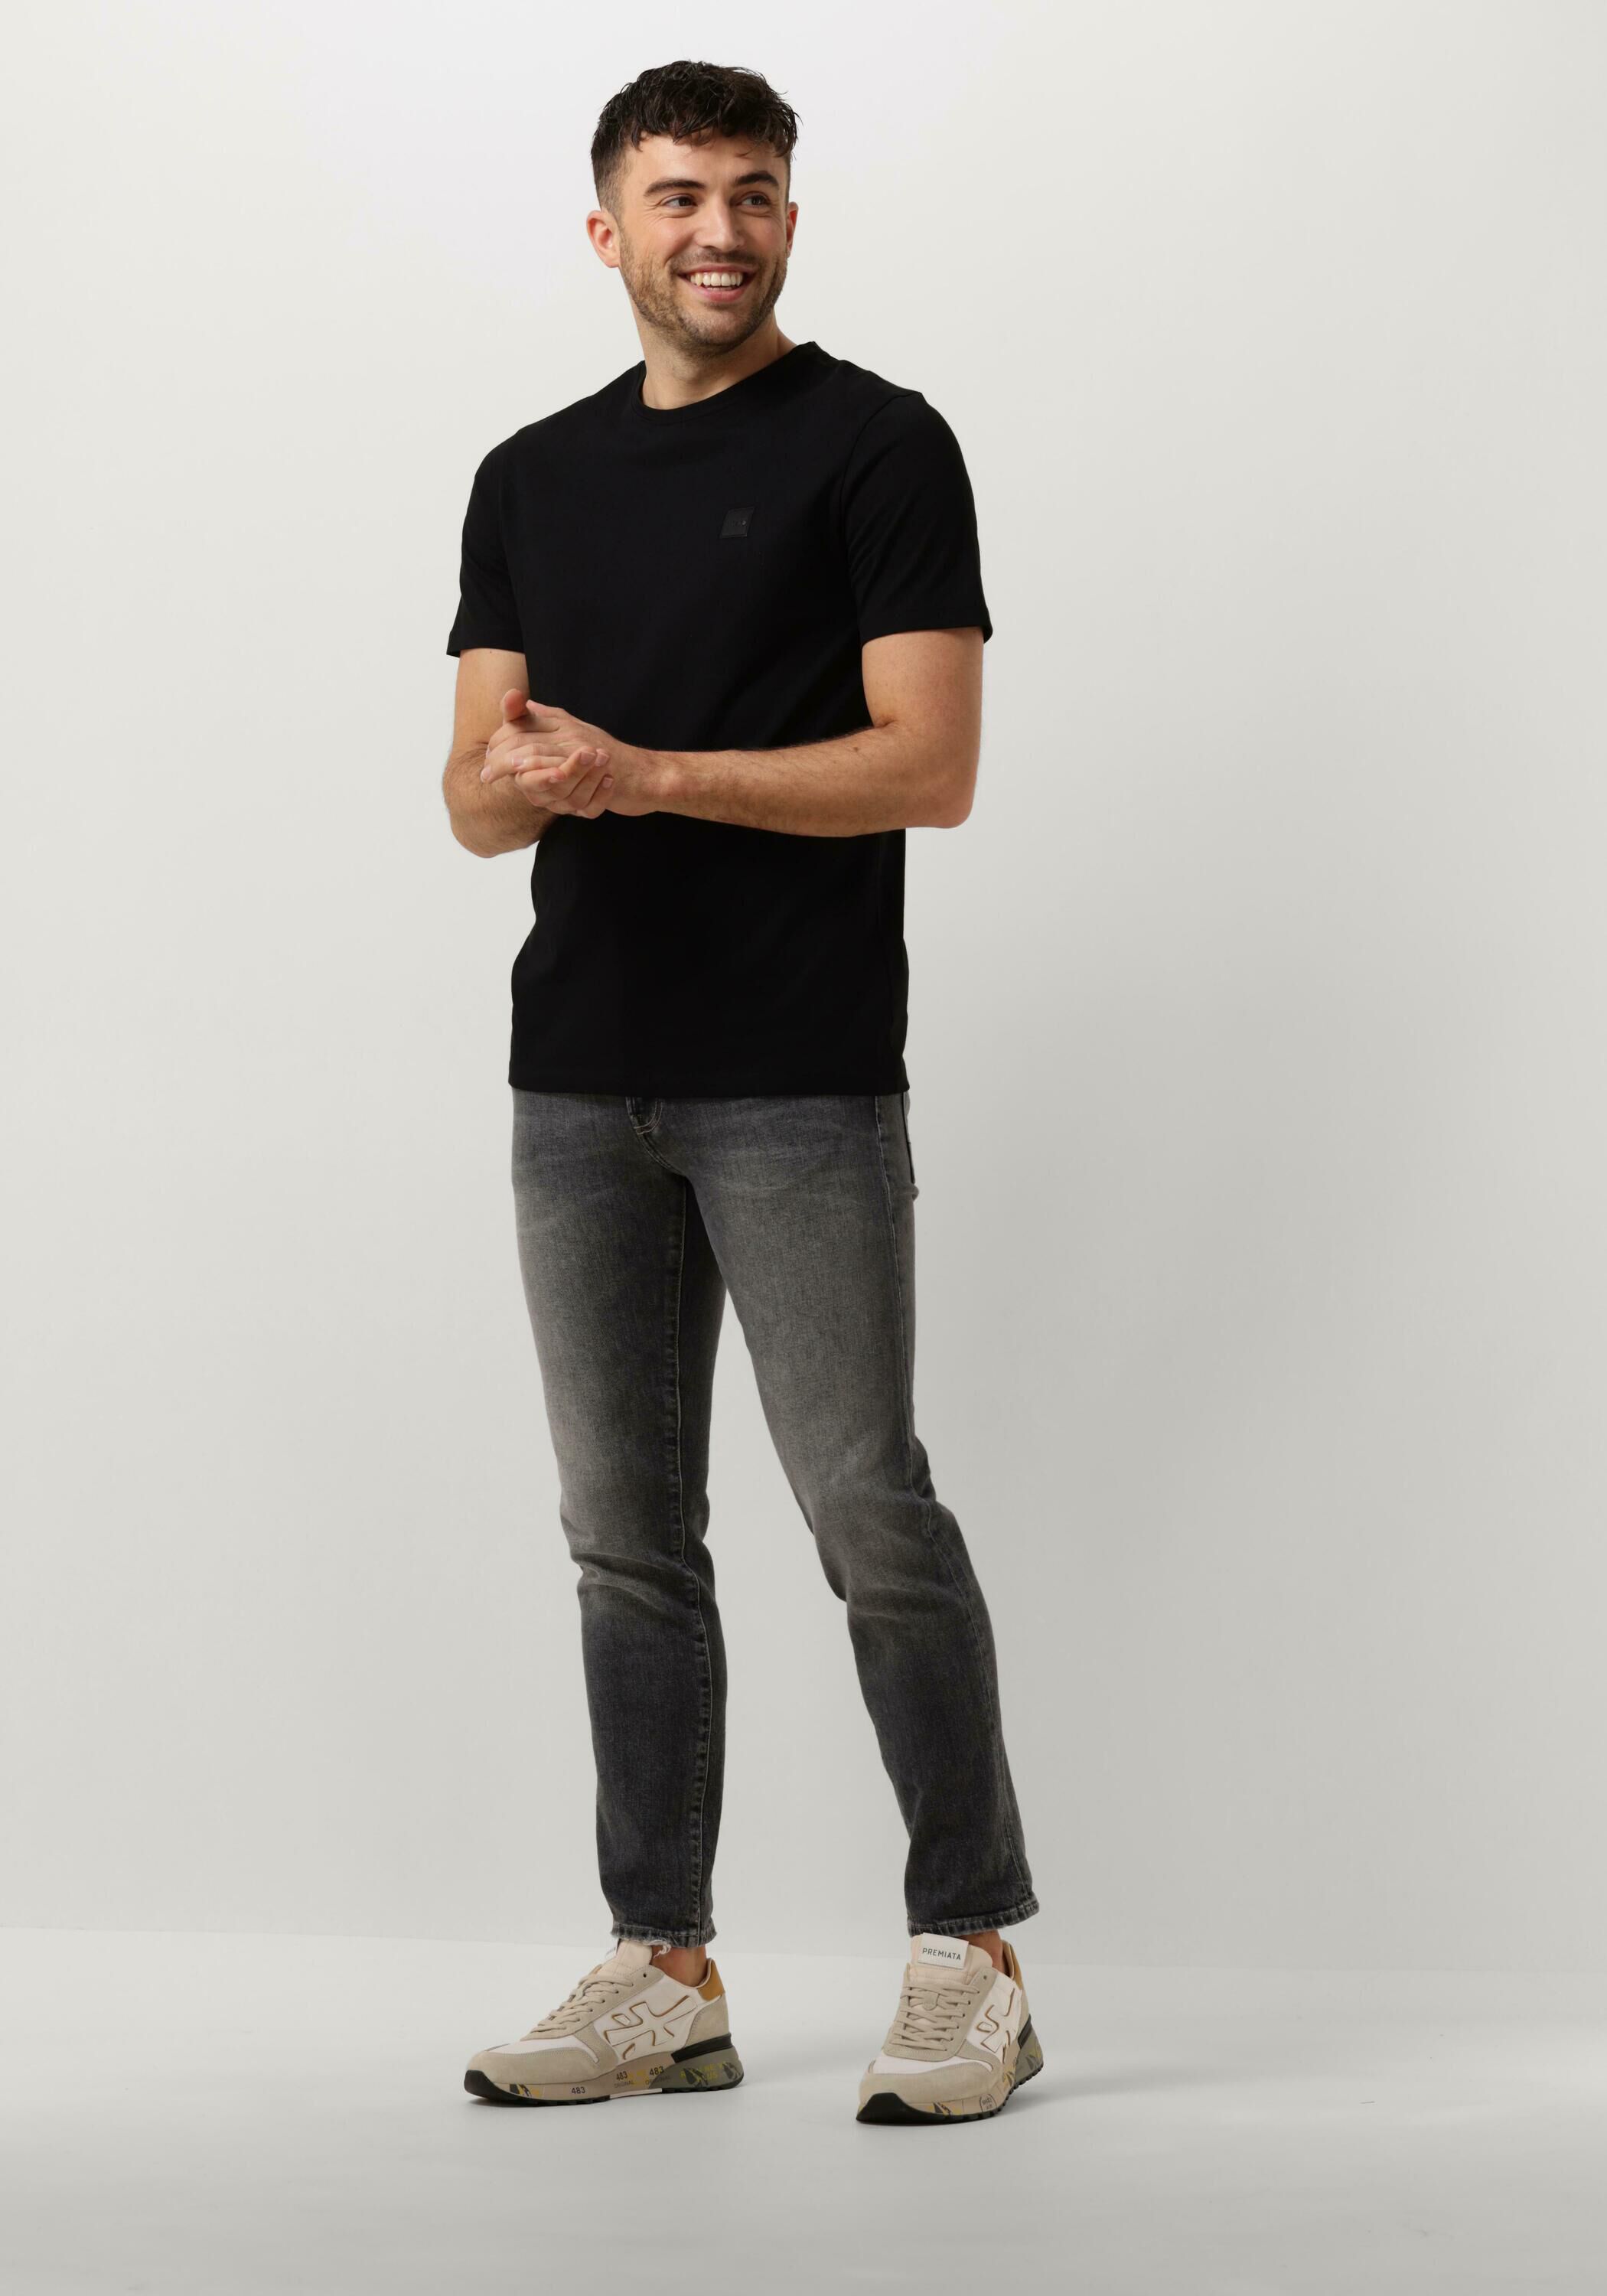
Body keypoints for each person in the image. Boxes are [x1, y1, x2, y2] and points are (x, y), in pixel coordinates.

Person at [444, 58, 1041, 2126]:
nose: (721, 230)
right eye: (681, 195)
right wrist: (530, 777)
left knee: (868, 1507)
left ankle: (970, 1953)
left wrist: (644, 773)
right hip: (575, 1081)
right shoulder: (527, 477)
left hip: (795, 1074)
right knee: (624, 1539)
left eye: (757, 193)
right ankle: (663, 1970)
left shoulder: (878, 445)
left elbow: (930, 765)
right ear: (606, 229)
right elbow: (471, 801)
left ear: (791, 218)